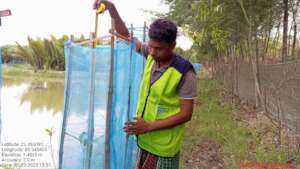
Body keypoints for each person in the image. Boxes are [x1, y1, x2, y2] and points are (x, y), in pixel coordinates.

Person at [94, 1, 197, 168]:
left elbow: (186, 114)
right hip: (144, 141)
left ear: (173, 46)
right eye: (151, 46)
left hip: (164, 148)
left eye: (159, 48)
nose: (153, 52)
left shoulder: (185, 72)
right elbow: (126, 36)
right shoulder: (150, 54)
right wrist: (112, 9)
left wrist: (148, 126)